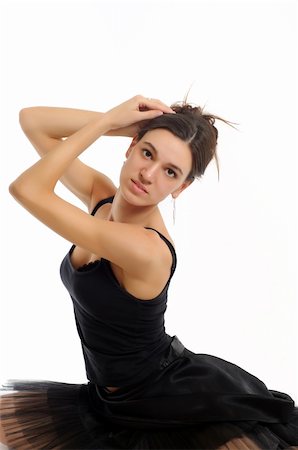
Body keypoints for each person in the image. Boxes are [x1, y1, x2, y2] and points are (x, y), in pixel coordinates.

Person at [0, 95, 297, 450]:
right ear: (131, 147)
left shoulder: (146, 250)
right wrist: (121, 122)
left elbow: (26, 189)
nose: (148, 174)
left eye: (170, 172)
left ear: (181, 187)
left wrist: (111, 125)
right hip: (109, 403)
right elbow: (33, 121)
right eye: (147, 153)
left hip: (168, 401)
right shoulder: (102, 200)